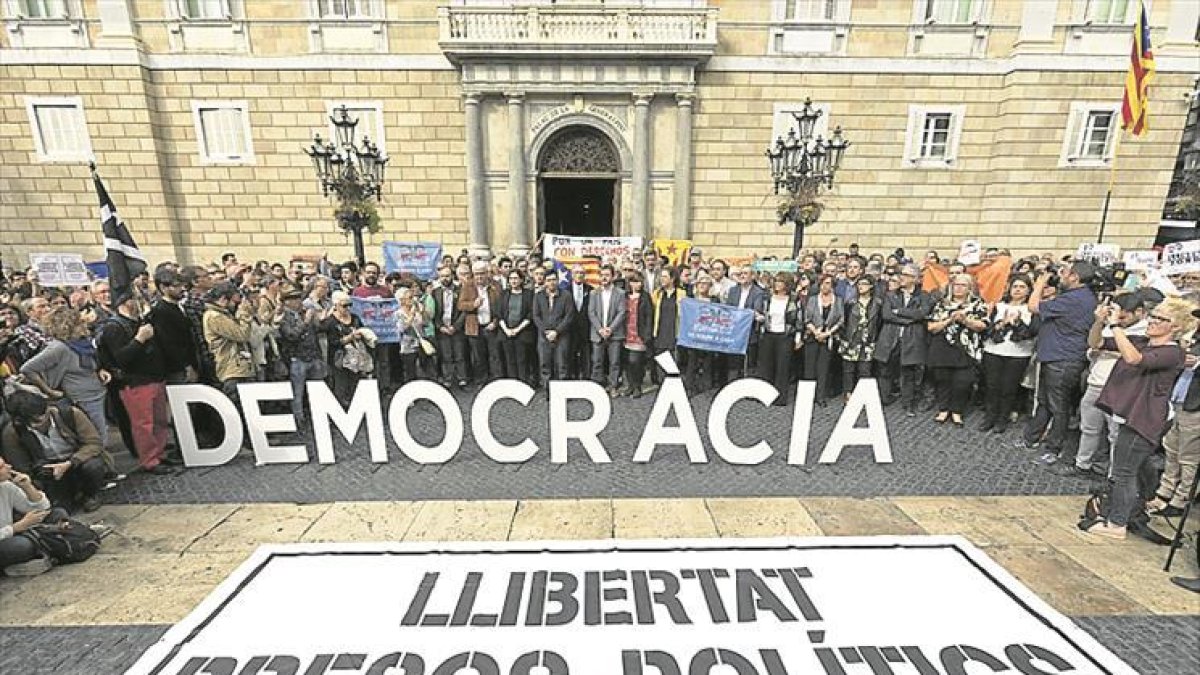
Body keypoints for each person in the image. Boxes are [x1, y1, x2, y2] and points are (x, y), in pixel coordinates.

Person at [1084, 297, 1194, 539]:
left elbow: (1134, 359)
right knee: (1134, 468)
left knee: (1124, 472)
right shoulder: (1143, 341)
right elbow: (1097, 343)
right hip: (1132, 415)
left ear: (1175, 327)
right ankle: (1139, 505)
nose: (1153, 321)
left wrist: (1116, 326)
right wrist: (1098, 322)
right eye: (1153, 316)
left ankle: (1117, 524)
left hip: (1145, 419)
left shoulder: (1173, 352)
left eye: (1161, 319)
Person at [1023, 261, 1099, 466]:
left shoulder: (1075, 299)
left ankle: (1053, 449)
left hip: (1064, 359)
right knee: (1046, 402)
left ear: (1075, 277)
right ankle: (1031, 438)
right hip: (1056, 356)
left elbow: (1033, 306)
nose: (1060, 275)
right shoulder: (1078, 297)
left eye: (1064, 272)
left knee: (1059, 406)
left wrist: (1039, 284)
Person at [1064, 292, 1147, 478]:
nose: (1120, 320)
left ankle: (1113, 476)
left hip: (1121, 388)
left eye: (1124, 316)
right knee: (1088, 428)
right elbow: (1095, 343)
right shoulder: (1112, 326)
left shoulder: (1144, 331)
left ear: (1139, 312)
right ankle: (1082, 464)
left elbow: (1131, 356)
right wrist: (1099, 322)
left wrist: (1114, 331)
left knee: (1115, 436)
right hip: (1096, 382)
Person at [97, 290, 172, 475]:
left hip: (155, 378)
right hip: (136, 382)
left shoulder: (138, 321)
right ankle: (150, 460)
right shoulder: (114, 327)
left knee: (160, 420)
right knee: (143, 424)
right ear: (124, 302)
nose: (137, 302)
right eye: (133, 299)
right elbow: (121, 358)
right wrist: (139, 339)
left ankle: (160, 453)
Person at [18, 306, 110, 449]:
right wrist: (48, 390)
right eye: (79, 322)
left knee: (100, 434)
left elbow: (91, 363)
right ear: (68, 325)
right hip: (82, 398)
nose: (84, 324)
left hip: (96, 393)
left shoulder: (82, 342)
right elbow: (27, 369)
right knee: (96, 439)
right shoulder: (58, 348)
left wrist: (100, 370)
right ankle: (105, 469)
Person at [1, 392, 109, 513]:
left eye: (40, 419)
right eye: (32, 423)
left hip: (77, 460)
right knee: (61, 508)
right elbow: (21, 467)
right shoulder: (12, 433)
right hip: (48, 470)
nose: (37, 425)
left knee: (93, 466)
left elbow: (93, 443)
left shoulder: (70, 414)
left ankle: (91, 494)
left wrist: (71, 462)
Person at [1146, 310, 1200, 518]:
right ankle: (1165, 492)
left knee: (1189, 457)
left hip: (1194, 407)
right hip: (1180, 401)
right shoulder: (1194, 340)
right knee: (1172, 448)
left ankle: (1181, 499)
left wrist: (1196, 364)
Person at [925, 274, 989, 426]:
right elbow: (931, 327)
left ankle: (957, 411)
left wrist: (965, 320)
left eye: (963, 285)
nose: (958, 288)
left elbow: (982, 326)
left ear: (970, 289)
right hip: (943, 348)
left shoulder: (978, 304)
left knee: (963, 382)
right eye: (956, 285)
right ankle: (943, 409)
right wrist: (950, 319)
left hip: (966, 350)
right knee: (942, 379)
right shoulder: (941, 304)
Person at [979, 275, 1037, 433]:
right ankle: (990, 417)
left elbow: (1030, 332)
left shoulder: (1031, 309)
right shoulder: (998, 306)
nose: (1017, 290)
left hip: (1018, 354)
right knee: (992, 386)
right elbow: (987, 330)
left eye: (1022, 287)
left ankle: (1002, 418)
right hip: (994, 350)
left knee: (1008, 388)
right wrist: (1001, 324)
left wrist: (1017, 323)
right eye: (1015, 286)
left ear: (1028, 290)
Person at [874, 264, 931, 416]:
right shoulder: (891, 294)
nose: (902, 278)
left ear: (915, 279)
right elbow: (887, 315)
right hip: (890, 338)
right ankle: (884, 399)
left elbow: (921, 314)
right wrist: (909, 319)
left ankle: (908, 404)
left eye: (905, 275)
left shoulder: (923, 296)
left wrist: (899, 312)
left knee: (908, 373)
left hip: (911, 339)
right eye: (902, 274)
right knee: (885, 370)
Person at [0, 456, 60, 576]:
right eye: (2, 467)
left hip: (11, 534)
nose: (9, 467)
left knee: (58, 514)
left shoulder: (5, 486)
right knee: (22, 545)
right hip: (7, 538)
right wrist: (15, 528)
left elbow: (43, 508)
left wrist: (27, 486)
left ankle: (49, 548)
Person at [278, 287, 325, 427]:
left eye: (299, 298)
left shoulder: (304, 312)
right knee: (297, 392)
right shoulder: (284, 316)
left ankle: (318, 415)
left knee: (317, 389)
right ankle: (299, 420)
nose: (298, 301)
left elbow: (316, 332)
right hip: (297, 358)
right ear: (287, 302)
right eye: (294, 299)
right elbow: (291, 335)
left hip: (313, 355)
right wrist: (305, 322)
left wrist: (316, 320)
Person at [203, 282, 257, 403]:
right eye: (235, 302)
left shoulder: (224, 315)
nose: (237, 306)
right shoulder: (214, 316)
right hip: (231, 370)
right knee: (237, 412)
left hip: (241, 367)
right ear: (223, 299)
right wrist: (244, 313)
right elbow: (241, 335)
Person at [758, 273, 800, 406]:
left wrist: (798, 337)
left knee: (783, 367)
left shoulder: (793, 299)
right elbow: (764, 313)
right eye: (776, 281)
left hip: (785, 335)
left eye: (780, 282)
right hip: (769, 334)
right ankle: (765, 395)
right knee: (766, 365)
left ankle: (780, 397)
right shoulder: (768, 297)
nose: (777, 284)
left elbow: (798, 319)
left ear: (786, 284)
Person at [459, 261, 503, 385]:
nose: (479, 277)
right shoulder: (468, 286)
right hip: (475, 327)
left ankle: (496, 381)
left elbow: (501, 306)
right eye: (476, 274)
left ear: (487, 273)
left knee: (495, 356)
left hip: (491, 325)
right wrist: (473, 304)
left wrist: (496, 321)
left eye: (482, 274)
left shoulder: (495, 285)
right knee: (478, 357)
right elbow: (461, 305)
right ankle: (481, 381)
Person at [804, 274, 844, 406]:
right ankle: (808, 396)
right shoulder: (812, 300)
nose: (825, 286)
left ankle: (820, 396)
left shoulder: (838, 301)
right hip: (813, 336)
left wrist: (827, 333)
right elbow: (807, 319)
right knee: (810, 368)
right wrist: (816, 332)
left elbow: (841, 320)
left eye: (828, 283)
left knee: (823, 368)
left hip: (828, 338)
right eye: (823, 283)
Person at [839, 275, 881, 400]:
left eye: (864, 284)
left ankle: (862, 395)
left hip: (868, 341)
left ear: (871, 286)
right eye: (859, 284)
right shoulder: (851, 302)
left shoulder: (877, 303)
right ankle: (848, 394)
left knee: (865, 370)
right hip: (852, 340)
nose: (861, 287)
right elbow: (845, 320)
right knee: (848, 369)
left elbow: (879, 322)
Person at [322, 291, 369, 403]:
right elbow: (333, 342)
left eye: (349, 305)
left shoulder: (355, 318)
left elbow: (362, 330)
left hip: (356, 359)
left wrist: (361, 335)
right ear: (336, 306)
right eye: (344, 306)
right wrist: (350, 337)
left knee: (355, 386)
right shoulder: (331, 321)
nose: (347, 308)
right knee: (340, 388)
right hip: (339, 359)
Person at [588, 264, 627, 395]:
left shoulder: (620, 293)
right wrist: (600, 329)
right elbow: (591, 313)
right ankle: (597, 388)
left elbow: (622, 312)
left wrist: (610, 329)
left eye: (607, 275)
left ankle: (613, 386)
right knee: (597, 362)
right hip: (597, 333)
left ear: (613, 276)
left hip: (615, 333)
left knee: (614, 362)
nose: (604, 278)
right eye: (602, 275)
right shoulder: (594, 293)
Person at [533, 269, 575, 385]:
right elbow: (536, 316)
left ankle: (562, 391)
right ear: (545, 282)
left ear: (558, 281)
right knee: (545, 364)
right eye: (549, 280)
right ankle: (548, 390)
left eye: (554, 280)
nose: (551, 282)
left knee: (562, 365)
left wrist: (557, 332)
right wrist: (546, 331)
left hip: (562, 336)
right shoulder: (538, 296)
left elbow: (569, 316)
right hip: (544, 336)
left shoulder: (566, 296)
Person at [725, 265, 766, 380]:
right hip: (733, 331)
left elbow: (756, 310)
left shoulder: (758, 292)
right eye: (740, 274)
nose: (742, 276)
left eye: (745, 273)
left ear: (752, 276)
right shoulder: (733, 290)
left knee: (749, 364)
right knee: (733, 363)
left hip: (749, 332)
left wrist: (748, 314)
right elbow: (729, 308)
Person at [431, 266, 467, 388]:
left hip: (457, 328)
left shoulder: (460, 290)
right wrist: (440, 327)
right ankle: (448, 379)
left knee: (460, 355)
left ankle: (462, 379)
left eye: (447, 276)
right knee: (446, 356)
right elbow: (433, 313)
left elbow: (464, 311)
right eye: (442, 276)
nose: (445, 279)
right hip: (442, 329)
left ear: (452, 276)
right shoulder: (435, 293)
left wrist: (456, 326)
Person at [498, 269, 536, 386]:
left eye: (516, 278)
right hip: (506, 332)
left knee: (522, 360)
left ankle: (523, 385)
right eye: (511, 279)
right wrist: (507, 330)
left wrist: (517, 329)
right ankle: (512, 386)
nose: (513, 281)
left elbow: (531, 313)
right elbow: (499, 313)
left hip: (523, 333)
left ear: (521, 280)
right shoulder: (504, 294)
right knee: (510, 361)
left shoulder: (529, 294)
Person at [651, 267, 687, 382]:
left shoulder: (681, 293)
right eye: (661, 276)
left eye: (665, 276)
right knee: (661, 360)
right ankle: (662, 383)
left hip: (674, 332)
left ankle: (673, 383)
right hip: (660, 332)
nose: (662, 279)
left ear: (672, 279)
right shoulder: (657, 294)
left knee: (673, 361)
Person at [622, 273, 654, 398]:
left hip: (639, 333)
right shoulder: (625, 296)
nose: (636, 285)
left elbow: (649, 317)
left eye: (639, 282)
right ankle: (630, 385)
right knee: (627, 362)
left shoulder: (646, 297)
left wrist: (647, 334)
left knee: (635, 361)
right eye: (634, 282)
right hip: (625, 333)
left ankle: (637, 386)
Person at [393, 287, 428, 387]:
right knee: (410, 372)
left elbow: (426, 323)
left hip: (420, 344)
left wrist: (422, 312)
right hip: (407, 347)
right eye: (410, 297)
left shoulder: (416, 311)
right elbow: (402, 328)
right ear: (402, 300)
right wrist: (412, 315)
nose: (413, 300)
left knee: (423, 370)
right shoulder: (398, 314)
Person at [567, 263, 592, 380]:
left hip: (585, 328)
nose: (579, 275)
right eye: (577, 273)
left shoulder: (590, 290)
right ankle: (573, 378)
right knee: (570, 355)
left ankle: (586, 378)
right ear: (572, 275)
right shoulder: (565, 290)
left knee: (586, 356)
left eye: (582, 273)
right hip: (569, 329)